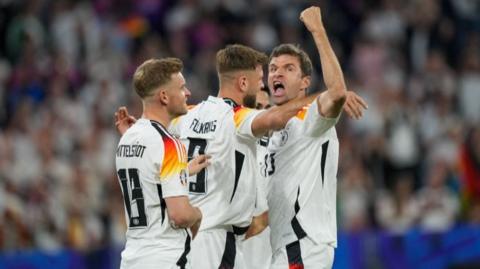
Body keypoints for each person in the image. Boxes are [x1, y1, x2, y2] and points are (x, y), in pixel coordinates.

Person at [115, 45, 318, 269]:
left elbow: (156, 136)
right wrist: (324, 100)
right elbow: (274, 118)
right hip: (216, 237)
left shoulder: (189, 114)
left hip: (181, 242)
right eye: (259, 80)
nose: (263, 85)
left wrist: (137, 133)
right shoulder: (236, 117)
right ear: (243, 83)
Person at [265, 6, 367, 269]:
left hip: (303, 243)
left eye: (288, 68)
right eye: (273, 68)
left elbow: (335, 93)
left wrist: (317, 30)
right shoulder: (267, 126)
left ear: (304, 82)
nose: (277, 73)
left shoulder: (310, 119)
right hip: (281, 247)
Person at [115, 58, 208, 269]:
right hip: (166, 257)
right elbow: (180, 215)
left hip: (132, 258)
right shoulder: (169, 144)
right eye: (182, 87)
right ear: (164, 96)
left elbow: (150, 177)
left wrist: (183, 170)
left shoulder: (127, 138)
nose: (188, 93)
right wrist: (199, 214)